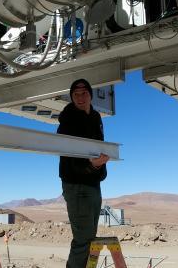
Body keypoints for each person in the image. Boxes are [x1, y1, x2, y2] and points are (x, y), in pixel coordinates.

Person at [57, 79, 110, 267]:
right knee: (83, 240)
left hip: (93, 183)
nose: (80, 97)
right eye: (76, 94)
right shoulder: (68, 120)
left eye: (84, 93)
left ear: (90, 94)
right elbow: (69, 161)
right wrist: (91, 166)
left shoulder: (95, 118)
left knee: (89, 238)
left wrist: (96, 166)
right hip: (77, 185)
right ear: (71, 97)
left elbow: (97, 148)